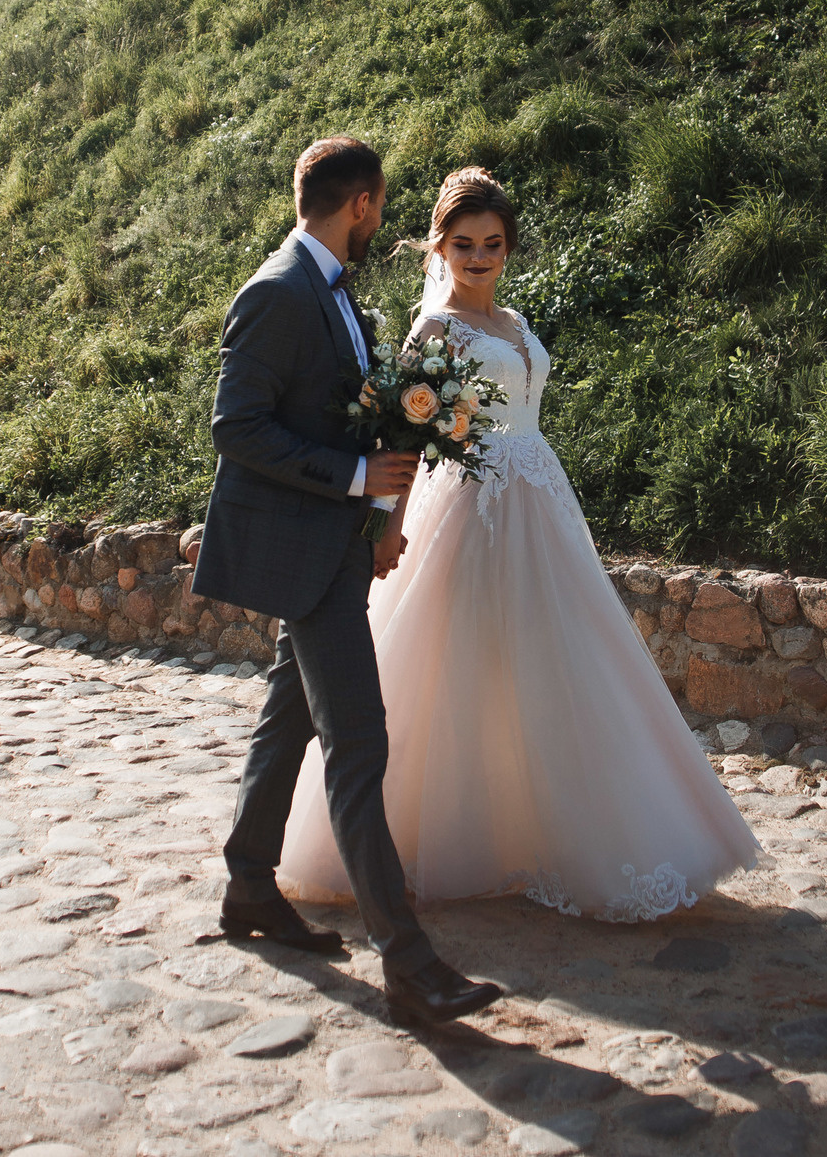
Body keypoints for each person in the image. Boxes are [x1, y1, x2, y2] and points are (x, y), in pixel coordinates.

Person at [276, 166, 763, 921]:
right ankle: (423, 840)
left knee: (563, 663)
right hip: (475, 512)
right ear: (440, 246)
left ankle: (560, 830)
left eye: (493, 244)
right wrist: (388, 528)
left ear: (508, 248)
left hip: (542, 504)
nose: (479, 258)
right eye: (464, 244)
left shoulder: (513, 320)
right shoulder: (435, 329)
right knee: (456, 669)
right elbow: (402, 437)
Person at [194, 136, 506, 1026]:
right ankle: (409, 965)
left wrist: (375, 486)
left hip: (330, 549)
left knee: (289, 714)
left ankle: (251, 884)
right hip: (308, 548)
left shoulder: (330, 288)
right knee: (358, 744)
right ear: (362, 203)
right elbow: (237, 428)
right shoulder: (278, 290)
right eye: (382, 206)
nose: (381, 219)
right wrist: (353, 478)